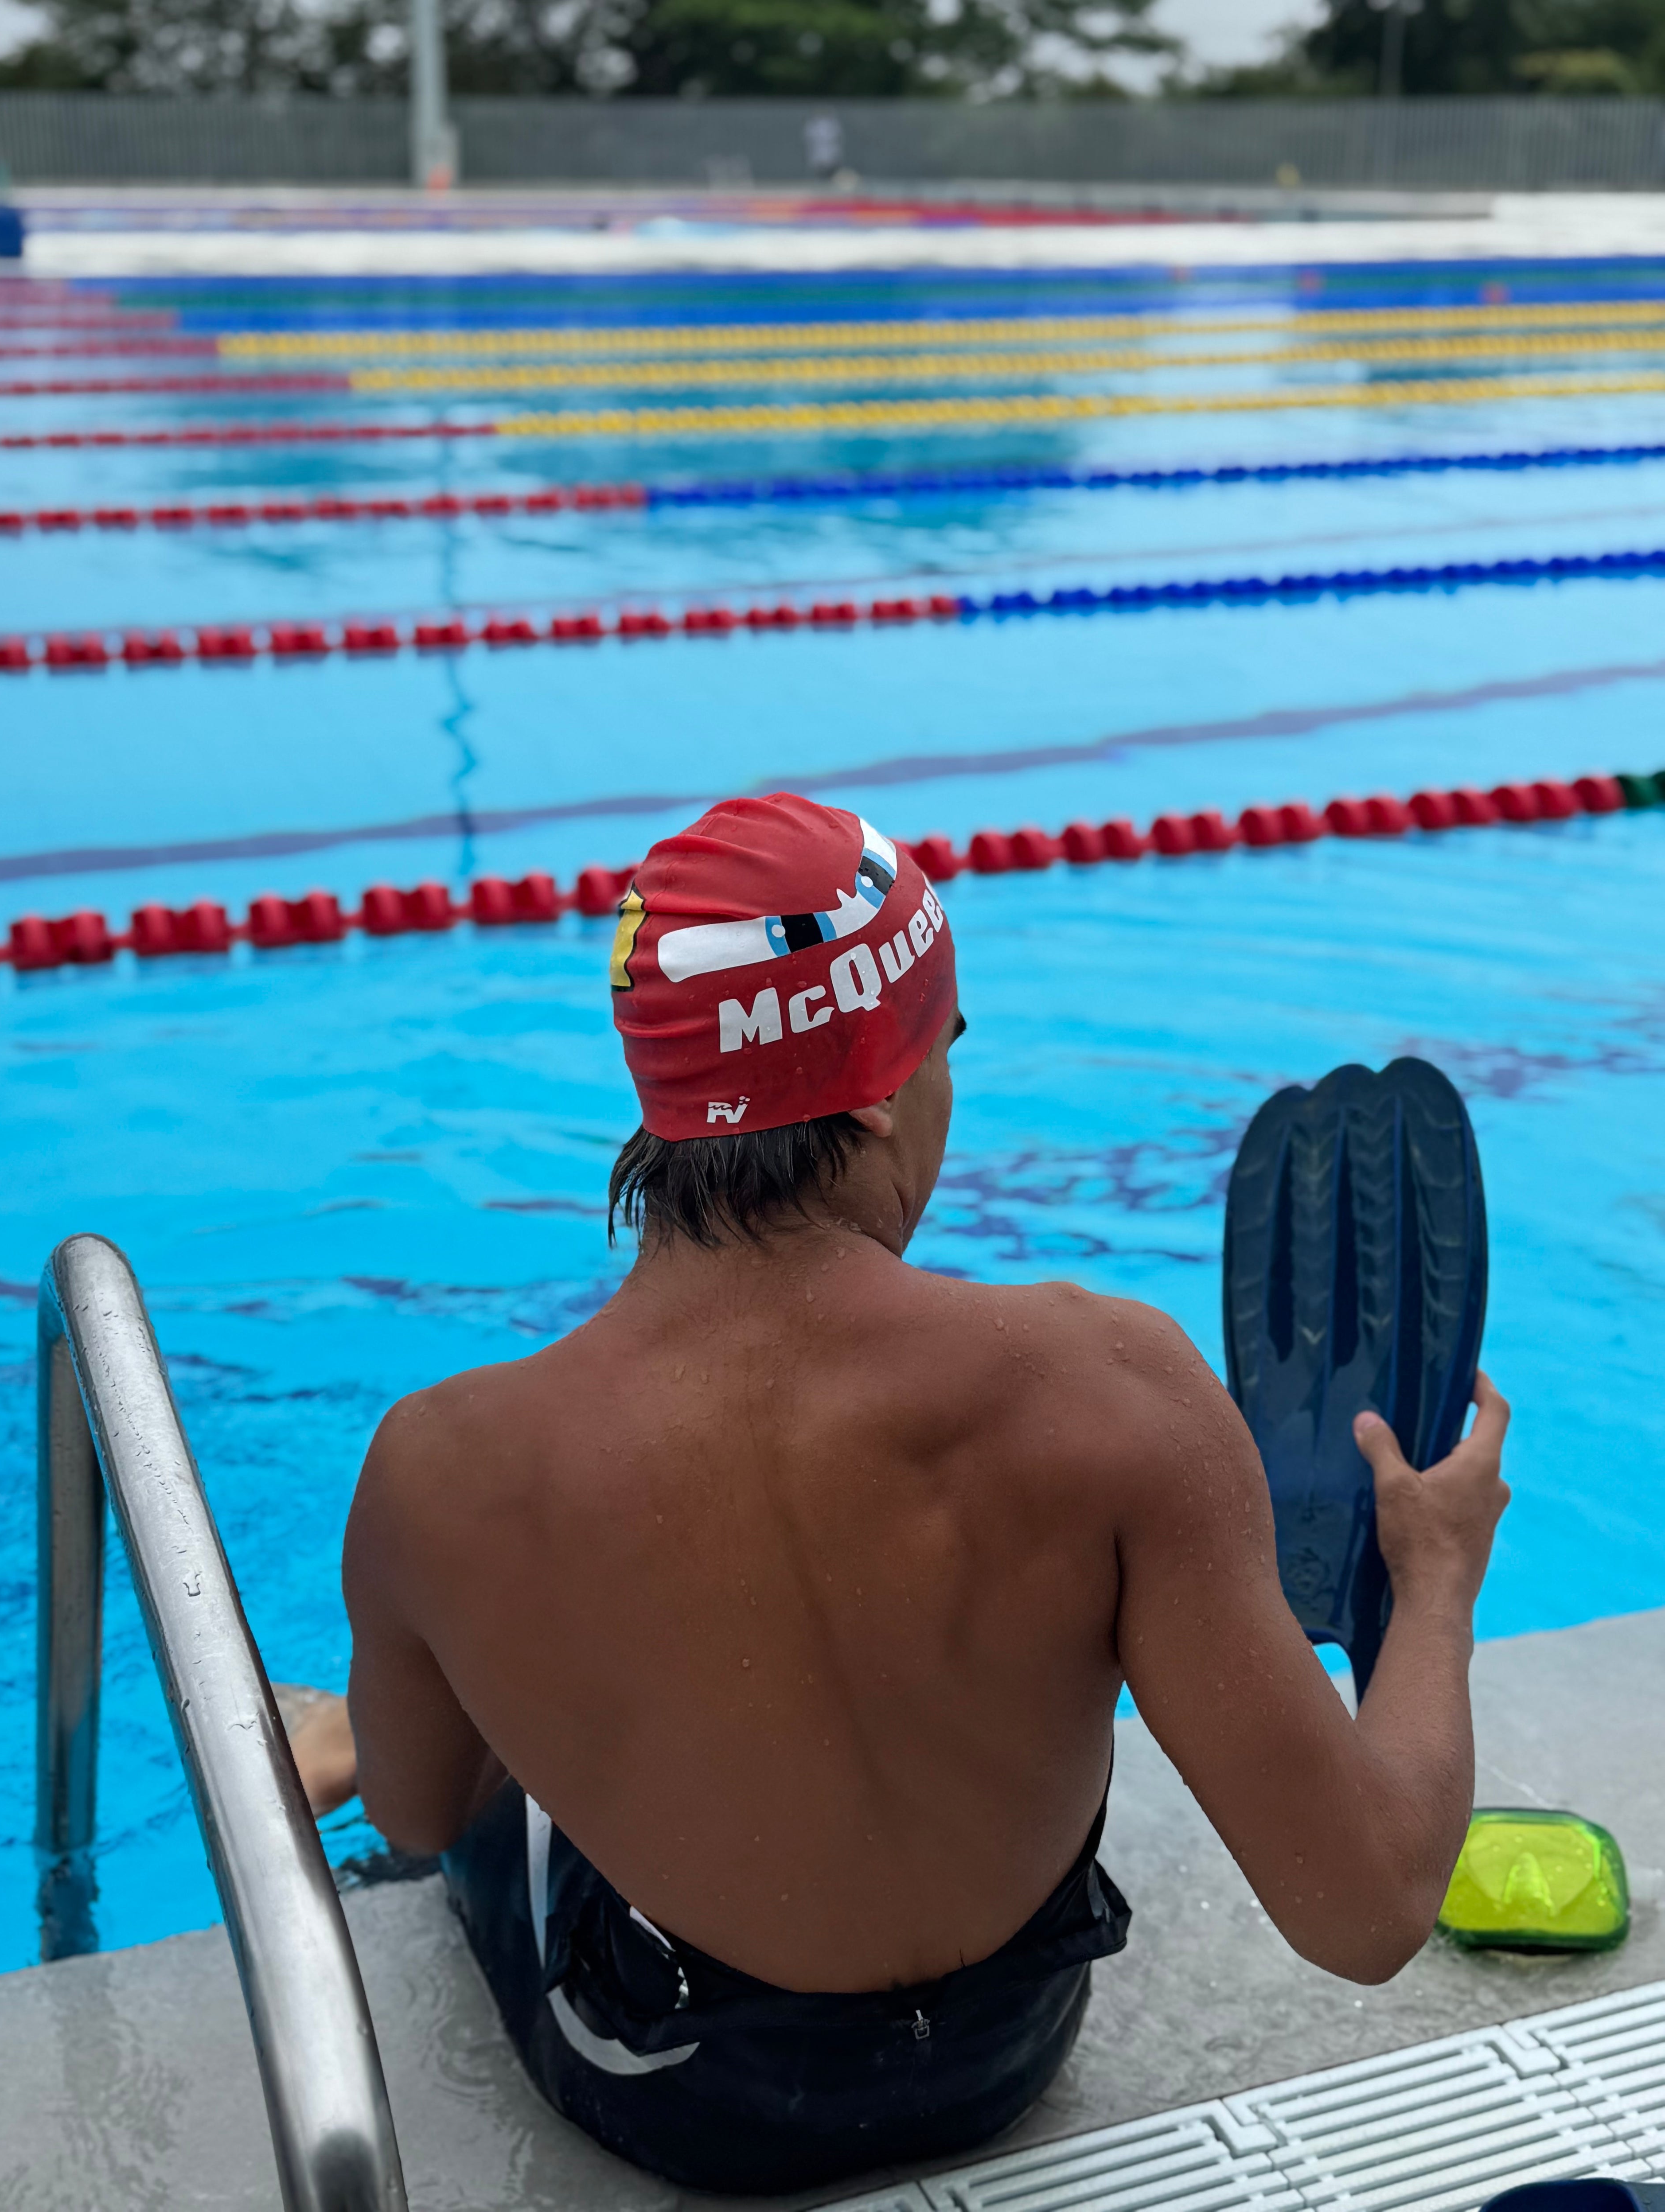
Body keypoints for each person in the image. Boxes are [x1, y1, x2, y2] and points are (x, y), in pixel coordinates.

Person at [296, 793, 1510, 2194]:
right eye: (946, 1048)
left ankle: (342, 1716)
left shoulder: (444, 1464)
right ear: (880, 1085)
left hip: (683, 2100)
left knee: (472, 1757)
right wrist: (1435, 1582)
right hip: (1006, 2054)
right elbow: (1369, 1910)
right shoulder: (1110, 1385)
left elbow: (418, 1817)